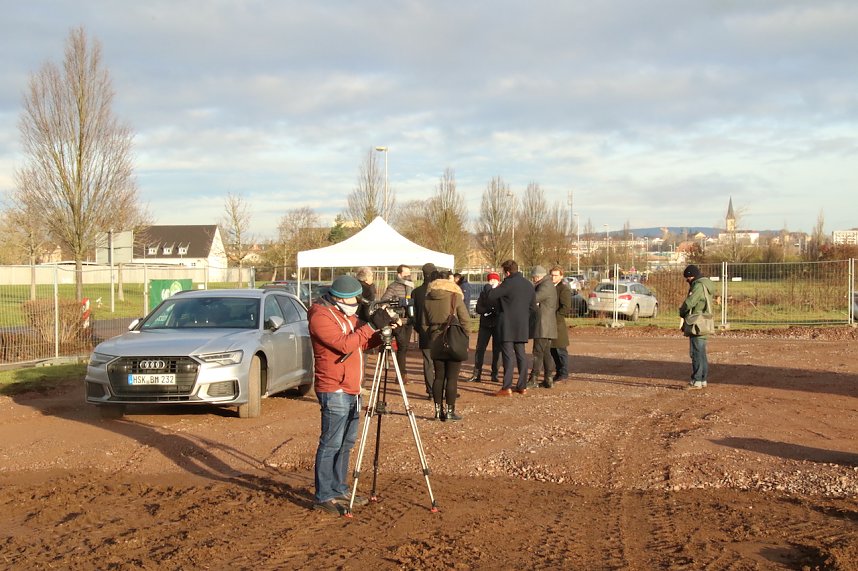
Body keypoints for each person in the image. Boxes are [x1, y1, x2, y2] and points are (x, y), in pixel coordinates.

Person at [308, 275, 398, 515]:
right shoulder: (321, 316)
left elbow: (362, 343)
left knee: (346, 443)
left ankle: (339, 488)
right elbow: (344, 345)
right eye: (353, 299)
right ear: (338, 298)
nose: (356, 302)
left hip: (353, 387)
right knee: (331, 443)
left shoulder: (348, 315)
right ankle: (323, 495)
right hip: (333, 387)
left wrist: (383, 333)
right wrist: (370, 326)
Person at [423, 270, 470, 421]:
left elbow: (423, 324)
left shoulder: (427, 299)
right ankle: (450, 412)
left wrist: (432, 334)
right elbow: (465, 320)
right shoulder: (455, 297)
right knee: (452, 378)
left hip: (435, 339)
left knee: (438, 377)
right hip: (453, 339)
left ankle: (438, 412)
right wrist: (465, 336)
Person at [487, 260, 536, 396]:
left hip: (507, 324)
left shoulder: (507, 283)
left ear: (507, 272)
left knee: (508, 355)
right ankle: (522, 385)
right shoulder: (528, 284)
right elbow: (533, 307)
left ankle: (506, 387)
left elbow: (491, 296)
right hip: (522, 324)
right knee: (521, 355)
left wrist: (495, 287)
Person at [679, 264, 716, 390]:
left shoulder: (698, 285)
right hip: (705, 321)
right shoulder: (706, 285)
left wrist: (682, 311)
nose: (687, 280)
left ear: (691, 275)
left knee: (696, 352)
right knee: (701, 352)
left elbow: (691, 302)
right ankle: (703, 379)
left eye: (687, 277)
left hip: (697, 322)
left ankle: (697, 381)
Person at [380, 264, 414, 381]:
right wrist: (394, 317)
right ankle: (398, 375)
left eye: (409, 273)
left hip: (408, 321)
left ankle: (401, 375)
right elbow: (383, 303)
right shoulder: (393, 287)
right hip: (397, 322)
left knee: (404, 348)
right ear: (399, 274)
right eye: (406, 273)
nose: (409, 276)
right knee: (399, 346)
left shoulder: (412, 287)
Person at [467, 272, 501, 383]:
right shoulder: (483, 293)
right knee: (480, 348)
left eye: (493, 280)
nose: (491, 282)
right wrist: (489, 311)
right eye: (490, 280)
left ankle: (495, 373)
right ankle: (477, 374)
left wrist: (491, 310)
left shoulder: (500, 292)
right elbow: (478, 308)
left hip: (497, 324)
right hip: (485, 324)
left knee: (497, 350)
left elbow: (500, 307)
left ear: (497, 281)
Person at [528, 265, 558, 388]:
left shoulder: (545, 286)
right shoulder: (547, 284)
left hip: (542, 325)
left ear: (538, 276)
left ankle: (533, 379)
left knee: (537, 352)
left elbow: (534, 298)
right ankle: (548, 379)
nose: (533, 280)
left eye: (533, 278)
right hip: (547, 325)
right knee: (545, 353)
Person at [411, 262, 437, 399]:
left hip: (423, 330)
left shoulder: (416, 292)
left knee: (428, 362)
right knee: (440, 361)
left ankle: (431, 391)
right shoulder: (438, 291)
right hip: (438, 330)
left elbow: (412, 313)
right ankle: (440, 390)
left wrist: (418, 327)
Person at [549, 266, 572, 383]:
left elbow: (566, 307)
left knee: (560, 350)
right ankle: (559, 372)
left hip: (558, 324)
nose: (553, 277)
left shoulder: (563, 289)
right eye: (552, 275)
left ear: (561, 276)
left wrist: (555, 317)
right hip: (549, 324)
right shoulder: (549, 287)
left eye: (556, 275)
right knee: (552, 350)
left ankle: (563, 373)